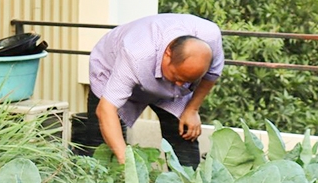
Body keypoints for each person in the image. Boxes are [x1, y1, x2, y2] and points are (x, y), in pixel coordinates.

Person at [73, 13, 224, 167]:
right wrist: (128, 165)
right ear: (168, 54)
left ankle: (187, 181)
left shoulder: (210, 38)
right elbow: (106, 109)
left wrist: (192, 109)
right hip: (112, 67)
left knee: (183, 132)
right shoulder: (136, 54)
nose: (180, 85)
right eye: (177, 77)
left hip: (156, 67)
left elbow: (212, 75)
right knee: (101, 143)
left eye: (188, 81)